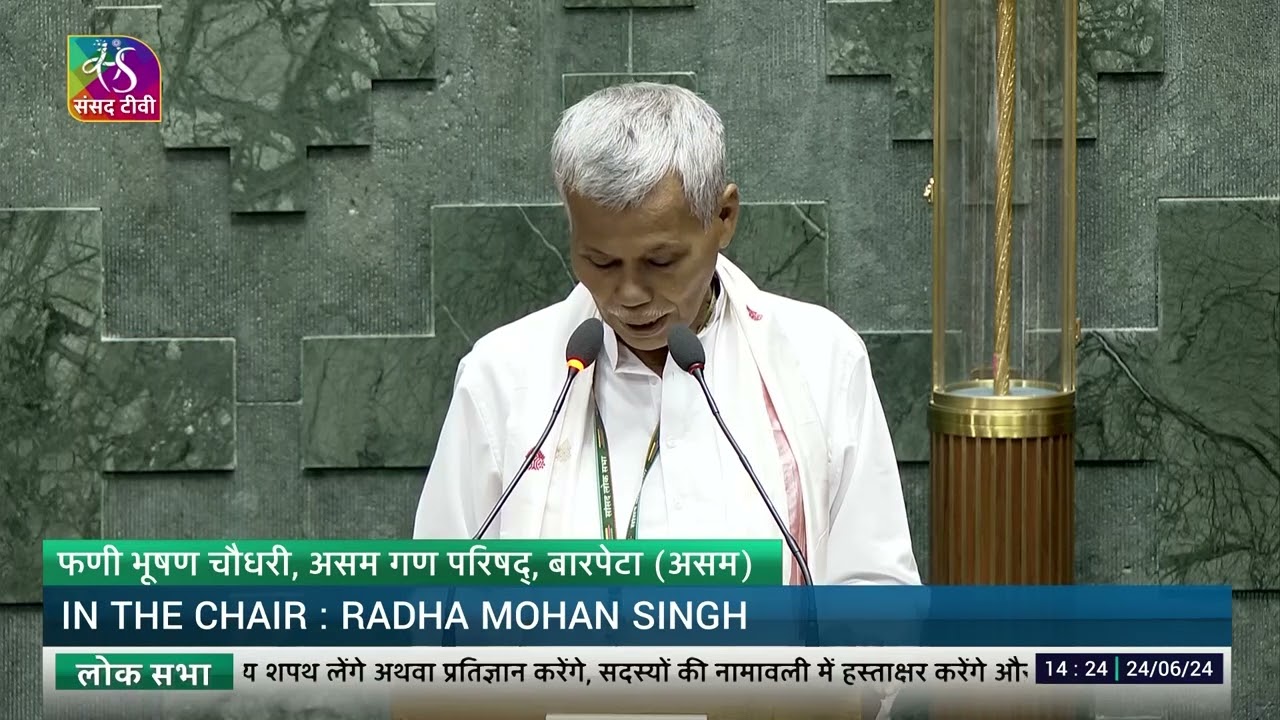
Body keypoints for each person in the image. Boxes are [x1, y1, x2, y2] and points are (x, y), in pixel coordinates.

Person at [413, 82, 919, 587]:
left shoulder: (821, 357)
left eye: (661, 260)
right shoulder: (502, 377)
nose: (629, 293)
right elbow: (435, 597)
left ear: (724, 217)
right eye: (601, 261)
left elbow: (877, 591)